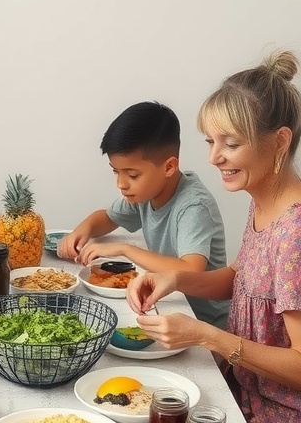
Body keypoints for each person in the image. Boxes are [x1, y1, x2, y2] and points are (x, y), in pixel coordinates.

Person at [127, 52, 301, 423]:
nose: (214, 157)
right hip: (242, 391)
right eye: (210, 140)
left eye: (230, 142)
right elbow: (240, 282)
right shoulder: (264, 200)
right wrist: (176, 279)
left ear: (279, 141)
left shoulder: (296, 231)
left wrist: (207, 334)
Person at [58, 101, 229, 327]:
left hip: (202, 324)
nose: (121, 183)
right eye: (116, 171)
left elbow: (190, 269)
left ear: (169, 167)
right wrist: (82, 230)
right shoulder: (147, 193)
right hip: (167, 307)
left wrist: (125, 249)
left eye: (132, 174)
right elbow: (108, 217)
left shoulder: (193, 206)